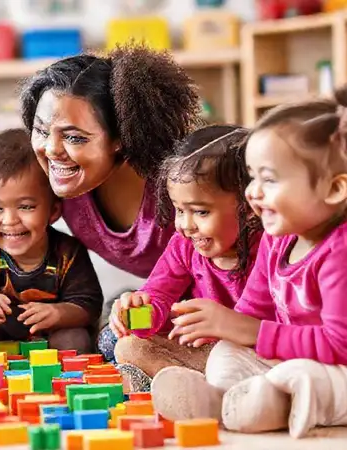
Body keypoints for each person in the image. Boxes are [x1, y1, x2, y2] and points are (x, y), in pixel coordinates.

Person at [151, 82, 347, 439]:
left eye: (269, 179)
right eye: (252, 177)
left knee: (306, 379)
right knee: (228, 351)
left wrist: (250, 330)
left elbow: (343, 346)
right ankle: (222, 400)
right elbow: (252, 312)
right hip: (292, 360)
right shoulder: (277, 240)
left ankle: (273, 406)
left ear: (334, 189)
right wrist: (227, 326)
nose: (252, 192)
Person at [18, 45, 202, 361]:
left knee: (115, 345)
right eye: (41, 131)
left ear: (120, 138)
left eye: (74, 137)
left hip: (210, 309)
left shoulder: (180, 187)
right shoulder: (59, 179)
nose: (51, 149)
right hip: (152, 303)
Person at [108, 125, 261, 392]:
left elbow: (278, 326)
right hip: (204, 353)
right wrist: (136, 311)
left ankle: (204, 391)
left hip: (257, 354)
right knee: (124, 344)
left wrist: (227, 324)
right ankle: (198, 391)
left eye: (200, 212)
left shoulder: (270, 247)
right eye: (179, 210)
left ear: (248, 207)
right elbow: (158, 295)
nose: (185, 225)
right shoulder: (184, 245)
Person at [0, 129, 102, 353]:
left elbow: (89, 304)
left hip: (53, 337)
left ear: (53, 210)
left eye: (26, 207)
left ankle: (67, 385)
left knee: (75, 339)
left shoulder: (68, 251)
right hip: (4, 335)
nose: (10, 221)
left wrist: (59, 314)